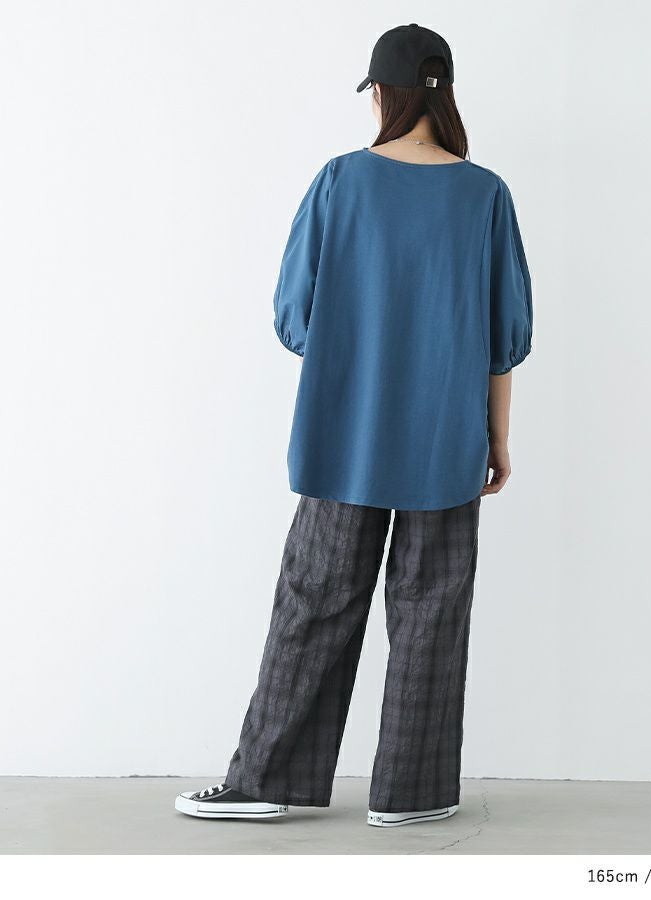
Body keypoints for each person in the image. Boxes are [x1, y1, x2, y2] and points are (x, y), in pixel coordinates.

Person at [174, 22, 532, 828]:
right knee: (433, 609)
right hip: (448, 440)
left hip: (347, 437)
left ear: (382, 94)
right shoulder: (486, 195)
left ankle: (266, 781)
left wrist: (365, 342)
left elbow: (296, 318)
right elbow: (503, 339)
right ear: (445, 93)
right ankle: (414, 795)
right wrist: (498, 439)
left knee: (314, 602)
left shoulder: (340, 181)